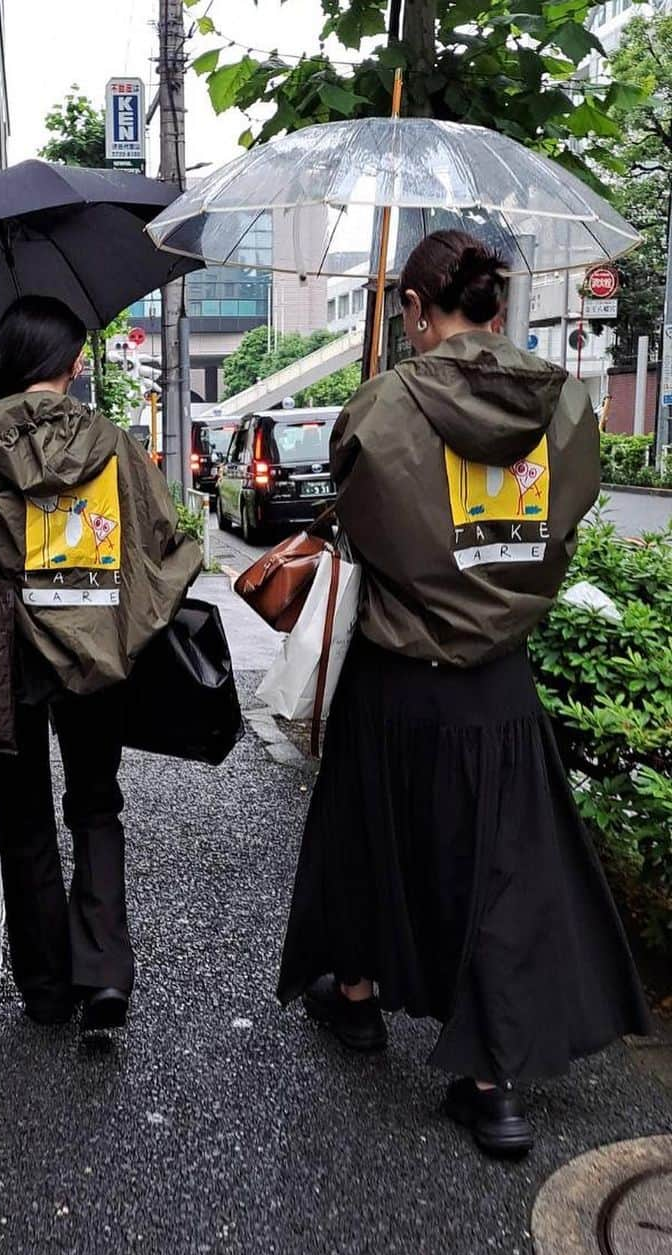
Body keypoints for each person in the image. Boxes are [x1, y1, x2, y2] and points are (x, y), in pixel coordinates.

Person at [278, 231, 651, 1157]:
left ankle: (356, 997)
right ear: (494, 305)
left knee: (367, 836)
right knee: (499, 868)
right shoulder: (563, 403)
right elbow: (562, 525)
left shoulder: (385, 403)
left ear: (414, 309)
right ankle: (492, 1087)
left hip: (397, 676)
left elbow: (360, 523)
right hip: (500, 683)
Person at [0, 296, 200, 1033]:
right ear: (71, 365)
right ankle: (104, 978)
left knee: (23, 816)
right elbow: (158, 536)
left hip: (2, 658)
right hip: (96, 655)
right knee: (96, 806)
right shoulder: (113, 444)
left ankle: (43, 986)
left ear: (8, 360)